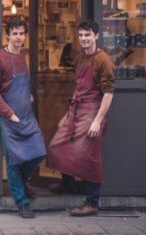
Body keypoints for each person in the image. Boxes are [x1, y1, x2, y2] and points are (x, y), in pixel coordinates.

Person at [46, 20, 115, 217]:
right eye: (81, 35)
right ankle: (68, 183)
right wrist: (67, 114)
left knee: (90, 157)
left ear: (96, 36)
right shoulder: (80, 58)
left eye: (88, 35)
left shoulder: (103, 61)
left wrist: (97, 121)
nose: (84, 39)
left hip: (93, 111)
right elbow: (78, 88)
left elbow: (108, 94)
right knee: (58, 146)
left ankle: (92, 202)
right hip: (77, 109)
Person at [0, 18, 47, 219]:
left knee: (39, 152)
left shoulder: (22, 56)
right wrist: (9, 113)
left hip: (27, 116)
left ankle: (21, 182)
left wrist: (28, 95)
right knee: (13, 163)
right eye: (15, 33)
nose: (18, 37)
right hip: (9, 119)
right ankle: (22, 203)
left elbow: (22, 82)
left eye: (22, 33)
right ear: (8, 35)